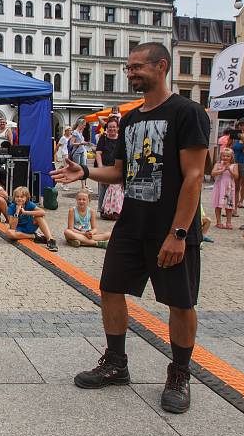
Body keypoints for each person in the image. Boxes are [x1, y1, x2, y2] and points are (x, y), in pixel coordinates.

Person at [51, 42, 209, 414]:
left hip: (170, 227)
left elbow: (194, 176)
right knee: (110, 289)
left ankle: (180, 373)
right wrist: (85, 171)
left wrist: (179, 233)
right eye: (128, 67)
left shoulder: (187, 113)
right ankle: (116, 364)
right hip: (132, 221)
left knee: (180, 301)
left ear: (162, 66)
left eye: (138, 66)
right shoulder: (131, 118)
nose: (131, 72)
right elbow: (121, 172)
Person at [6, 186, 58, 251]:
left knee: (39, 217)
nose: (19, 199)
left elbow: (42, 212)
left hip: (29, 226)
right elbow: (13, 227)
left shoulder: (29, 204)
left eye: (22, 197)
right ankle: (34, 236)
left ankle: (50, 240)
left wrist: (25, 212)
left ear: (26, 198)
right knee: (9, 233)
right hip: (19, 229)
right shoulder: (11, 207)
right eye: (17, 197)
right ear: (14, 198)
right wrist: (17, 212)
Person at [95, 117, 120, 212]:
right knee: (103, 190)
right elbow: (98, 153)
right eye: (110, 127)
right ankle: (102, 210)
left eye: (114, 127)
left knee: (116, 191)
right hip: (104, 167)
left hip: (116, 168)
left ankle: (115, 210)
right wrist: (101, 168)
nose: (112, 129)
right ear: (107, 128)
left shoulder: (121, 139)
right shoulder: (103, 138)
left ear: (117, 128)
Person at [210, 147, 238, 229]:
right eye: (224, 156)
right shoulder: (218, 164)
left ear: (231, 157)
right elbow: (213, 173)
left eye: (228, 156)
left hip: (229, 188)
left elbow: (236, 176)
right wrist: (222, 170)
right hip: (219, 187)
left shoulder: (234, 165)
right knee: (218, 205)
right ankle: (218, 222)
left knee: (228, 206)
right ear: (221, 156)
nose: (225, 158)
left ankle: (228, 222)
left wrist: (229, 169)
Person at [68, 118, 91, 191]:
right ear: (80, 124)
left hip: (82, 151)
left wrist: (85, 143)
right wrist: (81, 143)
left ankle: (84, 186)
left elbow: (81, 141)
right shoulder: (75, 132)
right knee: (75, 168)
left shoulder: (80, 132)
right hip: (76, 153)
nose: (84, 127)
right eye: (84, 125)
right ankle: (64, 181)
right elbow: (71, 144)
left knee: (84, 168)